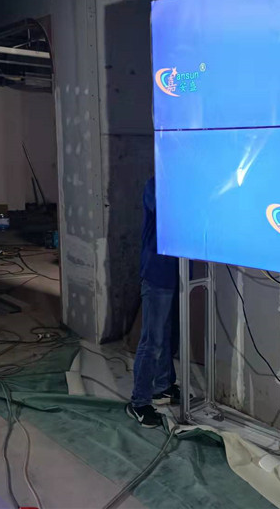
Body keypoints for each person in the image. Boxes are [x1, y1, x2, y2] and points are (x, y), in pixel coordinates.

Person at [126, 176, 180, 428]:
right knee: (153, 341)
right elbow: (168, 213)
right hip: (158, 272)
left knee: (169, 336)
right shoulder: (156, 183)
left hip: (178, 273)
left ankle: (163, 386)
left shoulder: (186, 182)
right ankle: (139, 402)